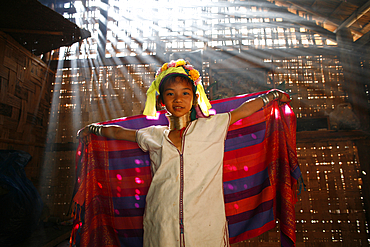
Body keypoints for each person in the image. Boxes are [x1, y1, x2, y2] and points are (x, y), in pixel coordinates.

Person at [79, 59, 290, 247]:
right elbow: (119, 132)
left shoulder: (212, 127)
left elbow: (243, 110)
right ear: (162, 101)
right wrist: (93, 129)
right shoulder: (153, 135)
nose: (178, 99)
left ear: (194, 98)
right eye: (171, 94)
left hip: (205, 223)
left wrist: (272, 96)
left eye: (185, 93)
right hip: (161, 220)